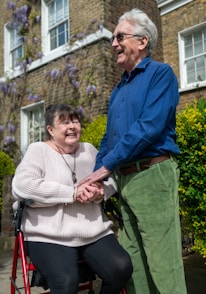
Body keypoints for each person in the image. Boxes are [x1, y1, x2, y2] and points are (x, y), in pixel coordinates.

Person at [79, 8, 187, 294]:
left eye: (119, 36)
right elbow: (109, 139)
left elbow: (148, 128)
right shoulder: (118, 89)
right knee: (133, 263)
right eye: (113, 38)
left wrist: (105, 166)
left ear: (142, 41)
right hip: (126, 180)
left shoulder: (160, 74)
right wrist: (96, 177)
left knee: (163, 263)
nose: (113, 43)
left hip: (152, 174)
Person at [12, 103, 133, 294]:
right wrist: (72, 193)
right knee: (66, 283)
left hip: (93, 232)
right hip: (48, 235)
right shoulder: (38, 151)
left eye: (75, 121)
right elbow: (22, 186)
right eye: (64, 122)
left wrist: (100, 192)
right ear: (50, 130)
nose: (72, 126)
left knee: (121, 268)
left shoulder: (89, 150)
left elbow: (112, 181)